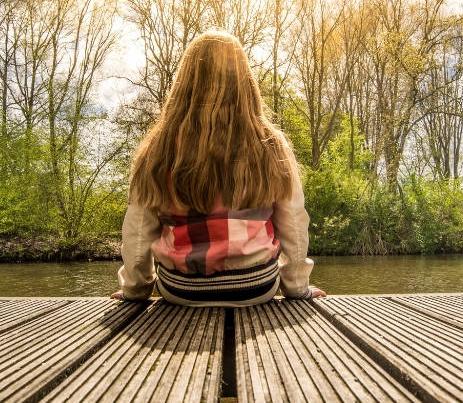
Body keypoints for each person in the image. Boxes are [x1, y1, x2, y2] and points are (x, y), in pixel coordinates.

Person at [112, 30, 324, 306]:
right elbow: (293, 223)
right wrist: (297, 288)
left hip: (180, 289)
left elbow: (139, 229)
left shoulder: (159, 147)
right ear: (244, 82)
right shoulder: (270, 144)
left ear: (184, 82)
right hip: (255, 285)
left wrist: (135, 290)